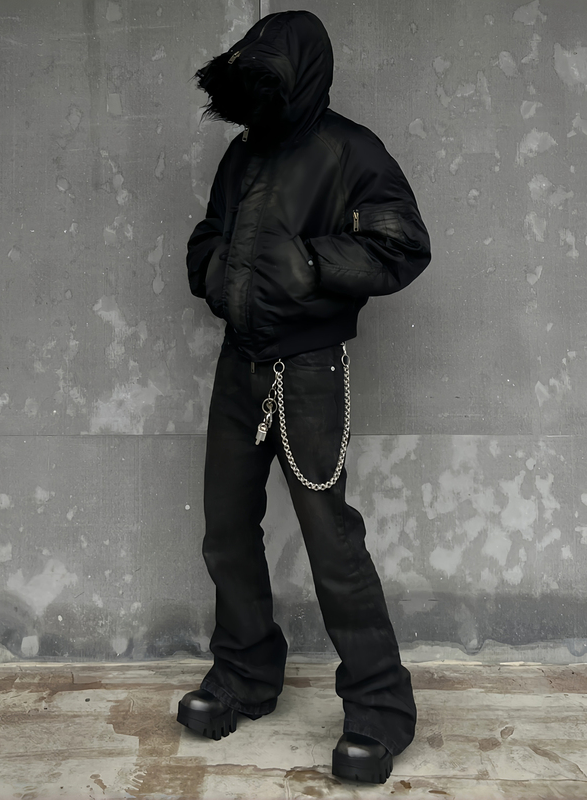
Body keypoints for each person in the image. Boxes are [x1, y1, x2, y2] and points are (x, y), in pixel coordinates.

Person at [177, 10, 431, 785]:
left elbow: (403, 243)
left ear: (303, 75)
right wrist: (218, 272)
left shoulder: (351, 150)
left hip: (309, 371)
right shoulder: (243, 152)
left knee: (331, 544)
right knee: (226, 533)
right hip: (238, 365)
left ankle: (380, 710)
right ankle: (246, 674)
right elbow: (207, 236)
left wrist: (314, 265)